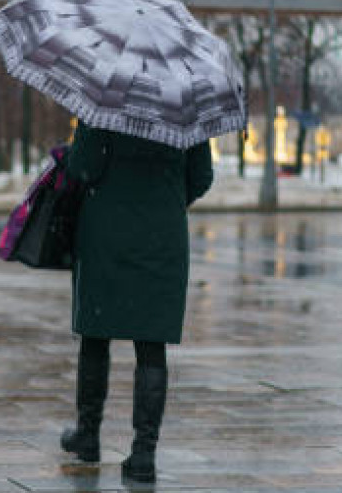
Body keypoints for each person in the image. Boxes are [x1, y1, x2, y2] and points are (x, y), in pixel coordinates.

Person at [58, 122, 213, 484]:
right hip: (163, 236)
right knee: (151, 344)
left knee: (95, 335)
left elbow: (82, 167)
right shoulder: (186, 106)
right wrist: (166, 198)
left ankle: (88, 435)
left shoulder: (106, 100)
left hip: (105, 230)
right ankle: (144, 452)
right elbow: (202, 176)